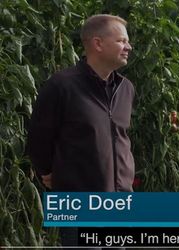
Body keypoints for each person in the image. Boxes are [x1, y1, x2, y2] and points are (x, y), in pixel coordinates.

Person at [27, 14, 134, 246]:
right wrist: (52, 173)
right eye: (122, 41)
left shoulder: (126, 89)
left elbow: (121, 137)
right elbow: (39, 137)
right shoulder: (62, 85)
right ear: (97, 43)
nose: (128, 47)